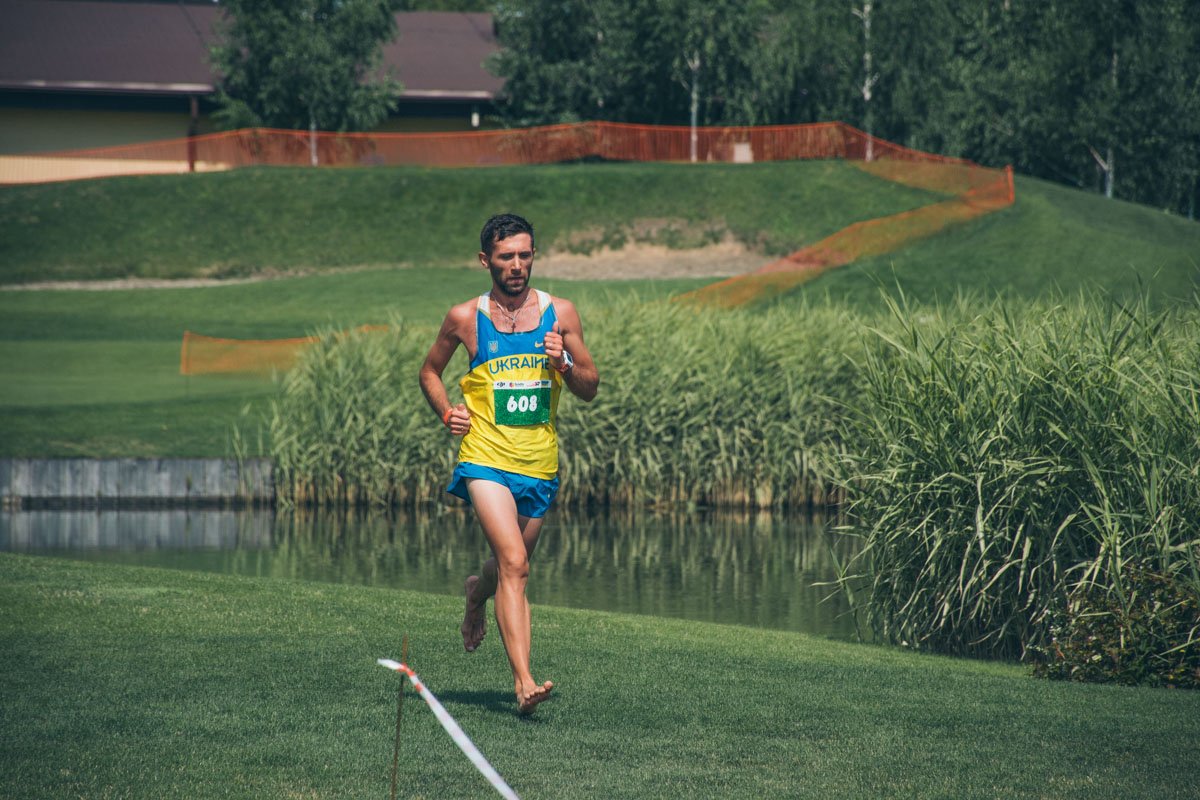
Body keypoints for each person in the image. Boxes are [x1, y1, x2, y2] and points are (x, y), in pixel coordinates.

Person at [419, 213, 599, 714]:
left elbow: (589, 387)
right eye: (506, 257)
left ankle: (477, 593)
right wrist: (447, 412)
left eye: (525, 254)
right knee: (515, 565)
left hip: (539, 464)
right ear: (485, 261)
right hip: (484, 458)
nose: (517, 265)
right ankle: (524, 684)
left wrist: (563, 362)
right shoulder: (464, 317)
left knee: (506, 567)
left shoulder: (560, 313)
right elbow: (429, 372)